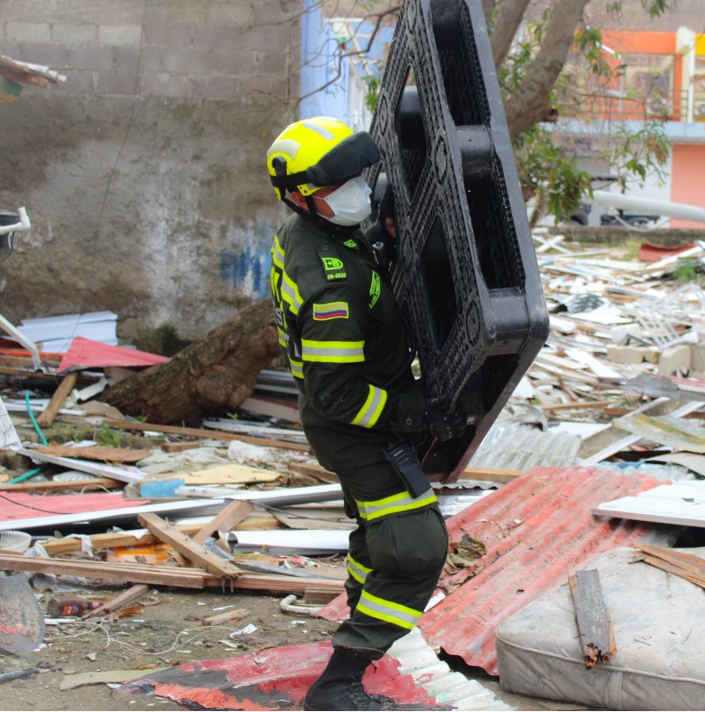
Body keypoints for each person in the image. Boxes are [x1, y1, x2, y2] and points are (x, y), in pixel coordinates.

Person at [265, 116, 462, 711]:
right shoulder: (333, 289)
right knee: (416, 549)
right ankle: (339, 682)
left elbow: (353, 247)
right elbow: (339, 396)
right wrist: (413, 414)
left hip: (356, 419)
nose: (358, 192)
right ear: (302, 198)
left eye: (359, 178)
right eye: (340, 187)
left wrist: (378, 236)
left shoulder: (317, 234)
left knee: (380, 533)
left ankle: (357, 633)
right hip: (357, 427)